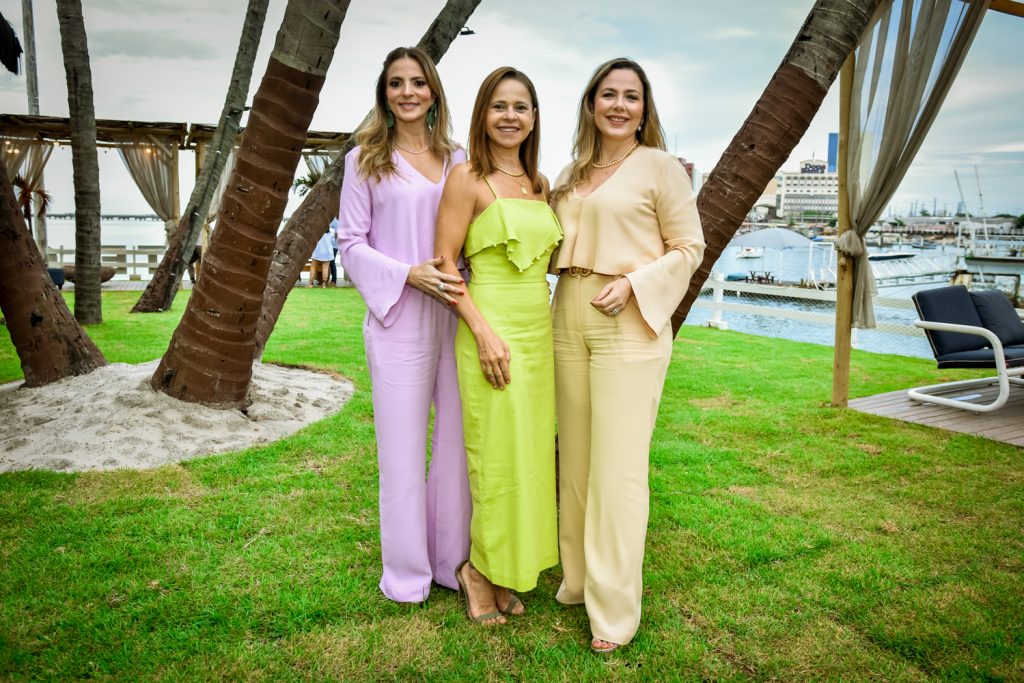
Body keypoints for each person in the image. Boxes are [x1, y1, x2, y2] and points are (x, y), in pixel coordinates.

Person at [549, 58, 705, 652]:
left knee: (618, 470)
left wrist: (637, 284)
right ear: (591, 104)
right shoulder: (571, 172)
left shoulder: (661, 167)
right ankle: (578, 581)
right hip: (566, 308)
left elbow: (689, 247)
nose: (618, 105)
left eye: (630, 97)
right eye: (607, 95)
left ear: (645, 109)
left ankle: (614, 614)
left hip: (629, 318)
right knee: (578, 462)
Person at [336, 46, 471, 604]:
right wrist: (406, 274)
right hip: (397, 315)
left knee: (457, 446)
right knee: (401, 449)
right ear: (384, 94)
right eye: (397, 83)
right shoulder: (365, 158)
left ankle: (451, 563)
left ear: (434, 91)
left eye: (418, 82)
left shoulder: (461, 157)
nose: (408, 92)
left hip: (458, 310)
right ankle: (408, 575)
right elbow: (350, 244)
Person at [434, 67, 561, 626]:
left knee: (531, 457)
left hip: (539, 329)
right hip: (490, 324)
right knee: (494, 458)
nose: (511, 116)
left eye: (522, 107)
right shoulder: (466, 177)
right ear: (484, 112)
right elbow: (444, 264)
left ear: (534, 118)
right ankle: (476, 572)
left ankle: (509, 566)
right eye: (500, 106)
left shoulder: (542, 185)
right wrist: (483, 332)